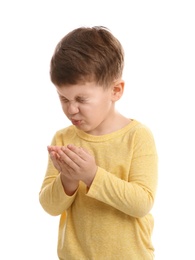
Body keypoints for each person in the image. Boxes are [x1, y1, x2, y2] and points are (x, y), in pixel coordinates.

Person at [39, 26, 158, 260]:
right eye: (64, 98)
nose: (71, 109)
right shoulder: (63, 139)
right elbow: (50, 207)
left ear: (115, 90)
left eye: (82, 99)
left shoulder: (138, 137)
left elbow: (142, 203)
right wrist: (68, 179)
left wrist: (92, 175)